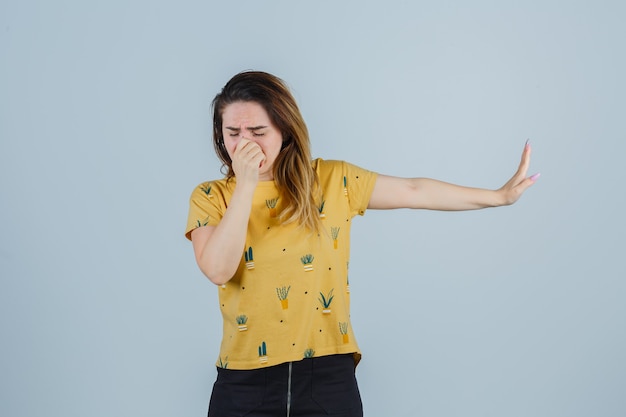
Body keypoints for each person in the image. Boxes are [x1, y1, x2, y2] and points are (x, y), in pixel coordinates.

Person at [185, 70, 539, 417]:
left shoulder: (332, 180)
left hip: (326, 377)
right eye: (233, 133)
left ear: (284, 130)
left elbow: (413, 190)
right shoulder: (210, 197)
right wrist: (246, 185)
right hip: (244, 382)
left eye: (258, 131)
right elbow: (218, 269)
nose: (245, 144)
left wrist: (498, 196)